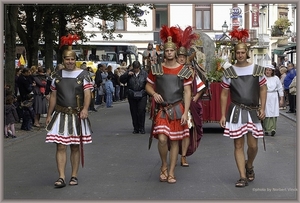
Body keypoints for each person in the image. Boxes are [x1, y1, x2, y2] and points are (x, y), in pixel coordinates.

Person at [219, 28, 267, 187]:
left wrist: (263, 107)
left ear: (247, 52)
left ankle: (249, 165)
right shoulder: (229, 71)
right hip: (236, 111)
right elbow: (224, 94)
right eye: (237, 52)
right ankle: (242, 176)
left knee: (253, 145)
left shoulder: (257, 70)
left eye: (242, 52)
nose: (240, 55)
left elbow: (263, 88)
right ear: (234, 53)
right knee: (238, 145)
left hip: (253, 111)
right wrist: (222, 115)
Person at [145, 25, 192, 184]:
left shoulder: (184, 70)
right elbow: (148, 85)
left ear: (175, 51)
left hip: (178, 108)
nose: (169, 53)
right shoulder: (156, 68)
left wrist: (186, 112)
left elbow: (187, 92)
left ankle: (171, 172)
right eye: (167, 51)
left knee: (175, 141)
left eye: (172, 51)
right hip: (162, 109)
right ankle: (164, 165)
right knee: (163, 139)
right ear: (164, 52)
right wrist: (154, 94)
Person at [45, 34, 93, 188]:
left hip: (76, 114)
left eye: (72, 59)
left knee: (74, 146)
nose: (70, 62)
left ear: (75, 59)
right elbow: (53, 95)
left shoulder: (83, 75)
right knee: (60, 145)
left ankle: (74, 175)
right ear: (63, 60)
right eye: (67, 59)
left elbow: (87, 94)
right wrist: (49, 114)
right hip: (60, 114)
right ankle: (61, 177)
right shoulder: (56, 75)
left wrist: (85, 109)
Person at [176, 25, 205, 167]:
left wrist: (196, 96)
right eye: (179, 56)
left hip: (187, 106)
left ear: (187, 57)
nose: (181, 59)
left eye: (183, 57)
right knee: (173, 131)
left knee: (186, 131)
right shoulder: (171, 69)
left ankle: (183, 156)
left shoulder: (192, 71)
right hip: (173, 104)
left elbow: (201, 86)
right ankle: (174, 153)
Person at [120, 60, 148, 134]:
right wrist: (127, 75)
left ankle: (142, 127)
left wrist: (145, 91)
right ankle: (136, 128)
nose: (136, 70)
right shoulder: (129, 73)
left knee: (141, 111)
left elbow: (148, 83)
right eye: (135, 68)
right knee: (134, 111)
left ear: (139, 67)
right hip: (132, 94)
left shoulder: (144, 73)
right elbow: (121, 80)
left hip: (142, 94)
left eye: (137, 68)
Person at [262, 64, 284, 136]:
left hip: (274, 96)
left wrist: (281, 99)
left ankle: (273, 129)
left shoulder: (276, 78)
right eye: (267, 70)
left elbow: (280, 88)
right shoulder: (262, 78)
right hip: (265, 96)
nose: (268, 71)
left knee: (274, 112)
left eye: (269, 70)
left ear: (272, 71)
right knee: (266, 111)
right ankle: (266, 129)